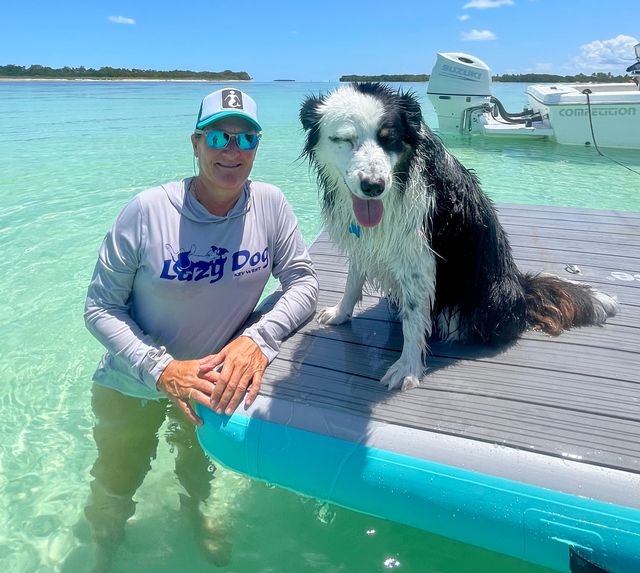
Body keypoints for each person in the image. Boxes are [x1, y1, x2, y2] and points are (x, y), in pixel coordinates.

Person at [82, 87, 318, 570]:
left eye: (246, 138)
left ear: (257, 147)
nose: (232, 151)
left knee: (197, 469)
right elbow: (99, 308)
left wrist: (258, 339)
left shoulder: (270, 204)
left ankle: (194, 515)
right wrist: (161, 368)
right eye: (218, 137)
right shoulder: (147, 211)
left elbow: (305, 283)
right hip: (133, 384)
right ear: (195, 143)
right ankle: (102, 550)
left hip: (208, 389)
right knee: (116, 482)